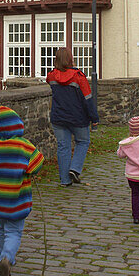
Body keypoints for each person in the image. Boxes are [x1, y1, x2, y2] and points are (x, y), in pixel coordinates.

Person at [0, 106, 44, 276]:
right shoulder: (24, 145)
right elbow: (38, 161)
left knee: (1, 227)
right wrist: (29, 171)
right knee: (14, 231)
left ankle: (3, 256)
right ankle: (7, 258)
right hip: (17, 198)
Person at [46, 48, 99, 186]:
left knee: (63, 147)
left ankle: (65, 180)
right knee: (83, 142)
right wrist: (94, 118)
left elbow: (50, 82)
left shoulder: (51, 76)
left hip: (58, 117)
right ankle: (74, 169)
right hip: (78, 118)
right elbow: (88, 99)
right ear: (70, 59)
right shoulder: (78, 77)